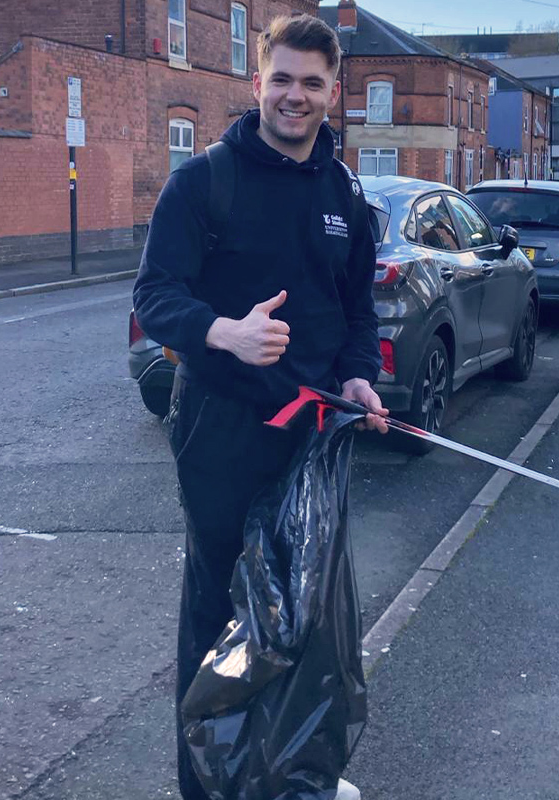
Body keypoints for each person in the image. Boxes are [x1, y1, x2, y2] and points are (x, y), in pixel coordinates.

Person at [132, 14, 388, 800]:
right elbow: (154, 295)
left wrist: (356, 378)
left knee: (301, 611)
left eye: (312, 83)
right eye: (282, 78)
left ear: (332, 92)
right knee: (219, 610)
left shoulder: (345, 190)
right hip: (222, 432)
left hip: (313, 436)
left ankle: (284, 777)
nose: (295, 96)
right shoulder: (206, 181)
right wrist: (224, 334)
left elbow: (355, 315)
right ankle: (206, 787)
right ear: (256, 83)